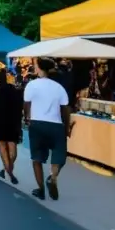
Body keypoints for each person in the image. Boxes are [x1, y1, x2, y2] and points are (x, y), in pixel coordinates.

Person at [23, 57, 70, 202]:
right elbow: (65, 110)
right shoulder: (59, 87)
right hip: (56, 125)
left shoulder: (31, 85)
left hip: (37, 124)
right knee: (59, 155)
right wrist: (66, 127)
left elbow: (26, 105)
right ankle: (53, 177)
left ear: (39, 68)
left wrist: (27, 119)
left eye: (36, 66)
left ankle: (41, 190)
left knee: (36, 158)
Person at [0, 67, 22, 184]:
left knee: (2, 146)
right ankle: (8, 169)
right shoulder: (14, 90)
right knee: (13, 151)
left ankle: (8, 171)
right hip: (12, 122)